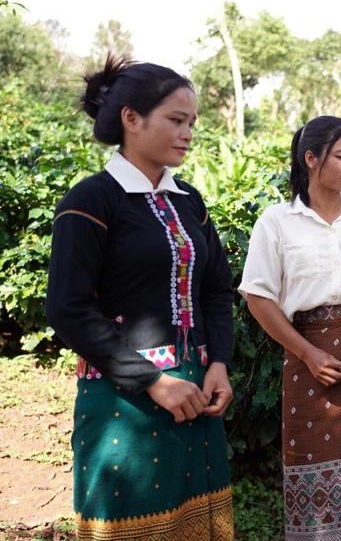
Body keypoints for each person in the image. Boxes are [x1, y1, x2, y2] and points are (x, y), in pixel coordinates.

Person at [45, 56, 234, 539]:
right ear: (131, 118)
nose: (188, 132)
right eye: (176, 120)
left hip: (196, 392)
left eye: (191, 122)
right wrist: (152, 380)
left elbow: (214, 286)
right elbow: (67, 308)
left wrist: (219, 365)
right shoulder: (90, 201)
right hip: (123, 402)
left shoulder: (189, 201)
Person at [239, 116, 341, 541]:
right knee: (311, 460)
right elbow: (259, 297)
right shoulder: (277, 222)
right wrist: (308, 354)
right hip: (307, 360)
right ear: (311, 158)